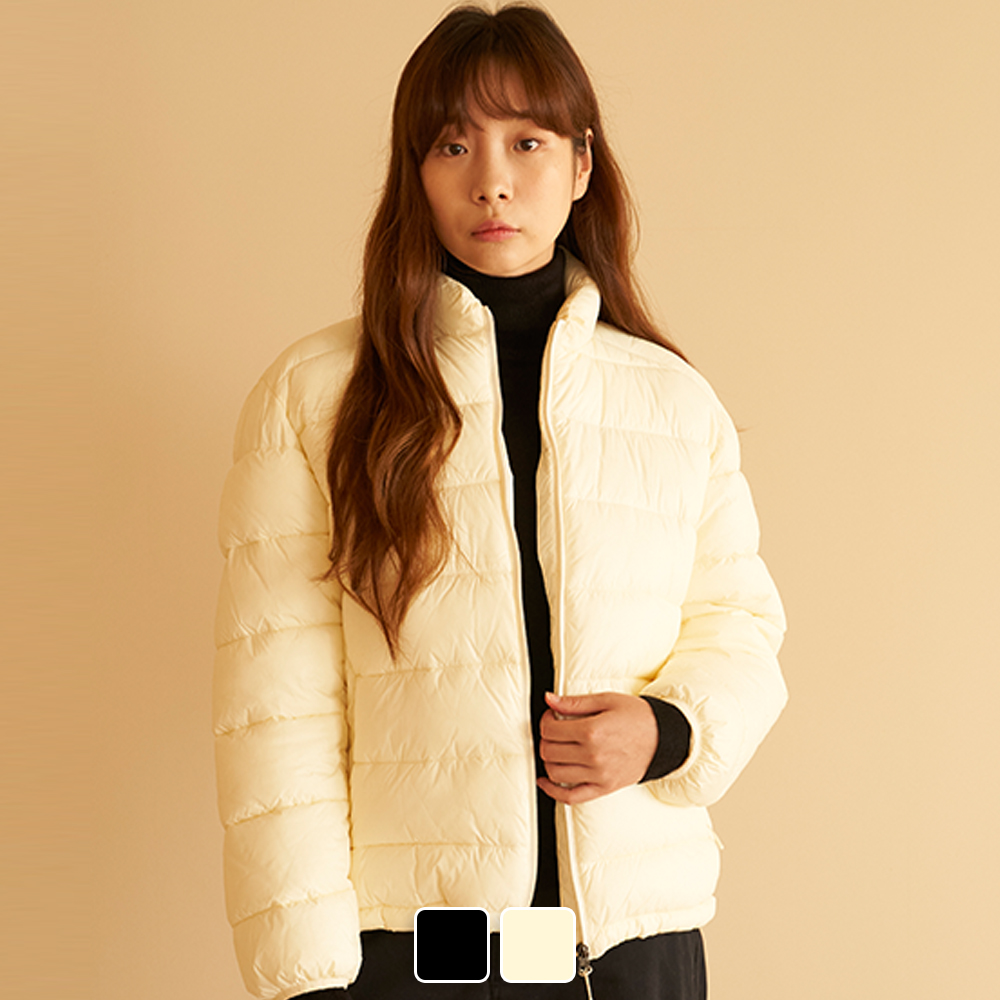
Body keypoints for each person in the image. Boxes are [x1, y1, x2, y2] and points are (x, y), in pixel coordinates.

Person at [212, 4, 787, 999]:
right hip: (423, 949)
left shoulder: (671, 401)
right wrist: (307, 977)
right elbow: (275, 708)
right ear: (415, 172)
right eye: (453, 144)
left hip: (635, 940)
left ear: (580, 164)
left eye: (527, 141)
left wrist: (667, 730)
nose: (491, 179)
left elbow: (739, 626)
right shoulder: (316, 398)